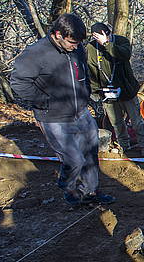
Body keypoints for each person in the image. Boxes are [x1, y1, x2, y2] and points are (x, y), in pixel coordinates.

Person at [9, 13, 115, 206]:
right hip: (54, 117)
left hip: (81, 112)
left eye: (78, 43)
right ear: (58, 34)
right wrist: (44, 101)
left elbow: (82, 73)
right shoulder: (36, 53)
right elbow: (18, 83)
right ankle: (69, 188)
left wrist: (87, 95)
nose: (75, 46)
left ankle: (90, 192)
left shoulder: (77, 48)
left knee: (91, 154)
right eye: (72, 42)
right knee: (74, 159)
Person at [86, 22, 144, 156]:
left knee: (136, 120)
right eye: (98, 37)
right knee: (116, 122)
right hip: (107, 91)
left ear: (109, 32)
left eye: (105, 35)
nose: (103, 38)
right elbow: (92, 69)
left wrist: (107, 44)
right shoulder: (91, 48)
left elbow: (124, 55)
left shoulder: (121, 41)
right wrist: (95, 90)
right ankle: (124, 144)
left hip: (126, 89)